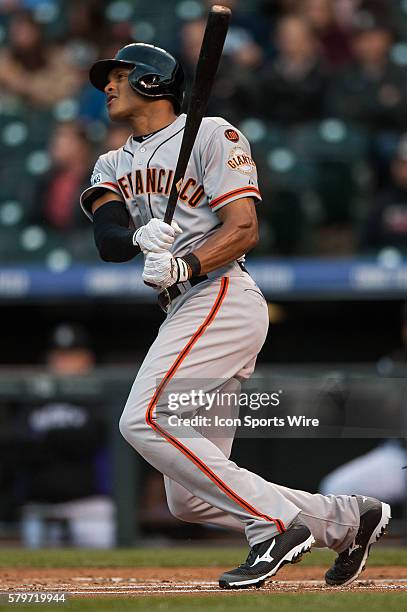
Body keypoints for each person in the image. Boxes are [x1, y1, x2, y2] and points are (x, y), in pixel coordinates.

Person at [80, 42, 390, 588]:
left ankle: (274, 525)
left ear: (153, 82)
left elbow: (244, 227)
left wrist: (185, 264)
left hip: (219, 295)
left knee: (143, 419)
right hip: (185, 307)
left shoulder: (211, 133)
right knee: (189, 501)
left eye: (121, 76)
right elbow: (107, 238)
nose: (108, 85)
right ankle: (346, 518)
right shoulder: (112, 160)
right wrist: (138, 236)